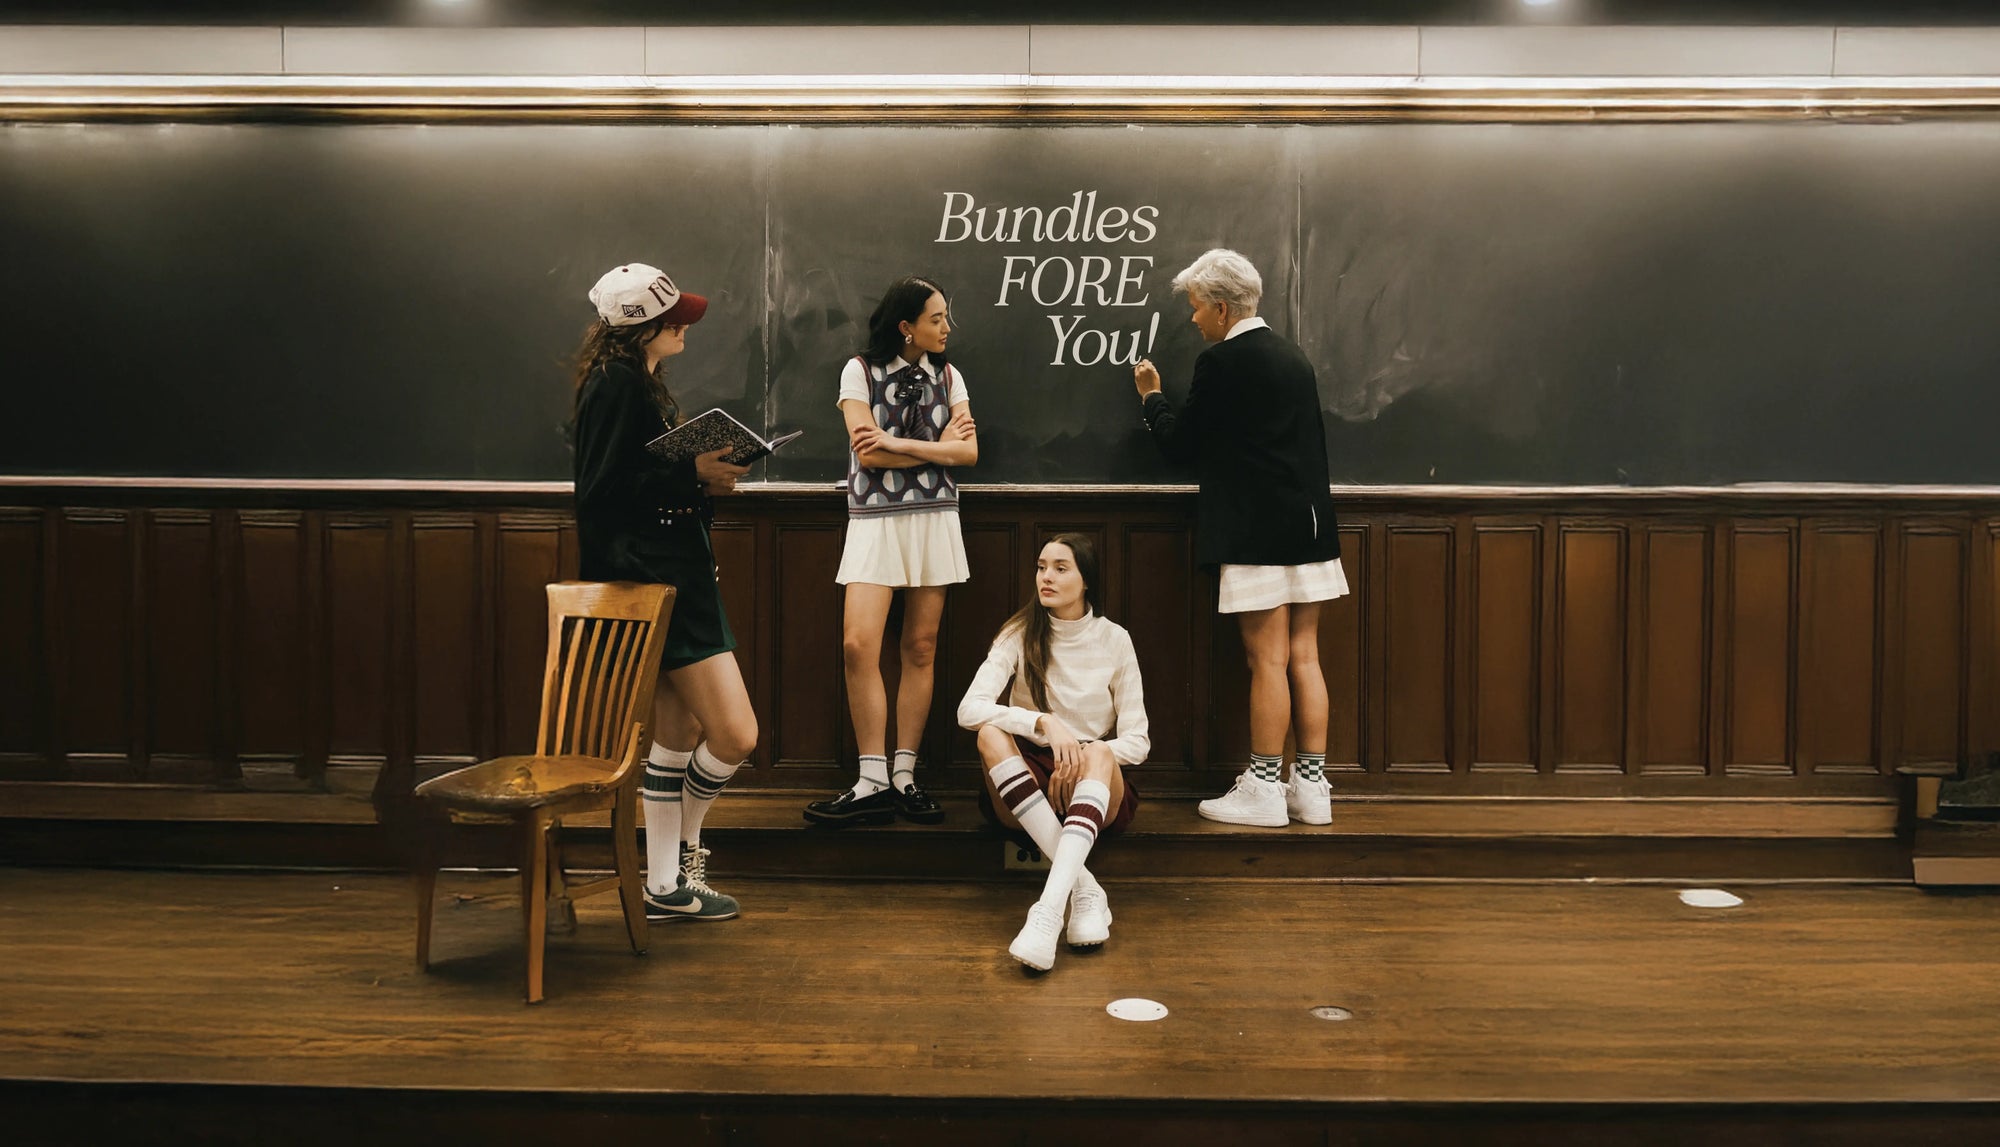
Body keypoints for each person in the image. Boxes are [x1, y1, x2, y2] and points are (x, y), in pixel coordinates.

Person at [1132, 248, 1347, 829]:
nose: (1194, 320)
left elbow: (1181, 446)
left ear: (1222, 308)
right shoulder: (1294, 357)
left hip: (1256, 530)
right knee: (1305, 655)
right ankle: (1311, 788)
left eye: (1198, 308)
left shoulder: (1222, 362)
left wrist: (1151, 398)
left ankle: (1263, 788)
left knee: (1267, 660)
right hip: (1309, 526)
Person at [571, 262, 756, 921]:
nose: (685, 327)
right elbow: (600, 495)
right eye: (674, 318)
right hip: (657, 584)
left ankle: (663, 885)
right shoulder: (618, 385)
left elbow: (633, 479)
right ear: (643, 325)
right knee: (736, 734)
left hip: (673, 576)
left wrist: (698, 479)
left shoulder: (632, 381)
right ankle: (686, 854)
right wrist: (693, 473)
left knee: (675, 738)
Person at [805, 277, 978, 828]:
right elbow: (868, 455)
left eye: (946, 317)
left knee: (921, 647)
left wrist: (899, 443)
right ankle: (871, 776)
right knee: (860, 644)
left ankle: (904, 774)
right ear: (906, 326)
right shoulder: (858, 371)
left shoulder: (949, 375)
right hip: (874, 520)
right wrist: (936, 451)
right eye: (936, 319)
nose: (947, 328)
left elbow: (969, 452)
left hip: (933, 520)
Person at [958, 534, 1148, 972]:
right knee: (988, 732)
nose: (1046, 577)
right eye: (1042, 566)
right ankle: (1085, 890)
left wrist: (1080, 756)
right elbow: (968, 709)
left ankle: (1045, 912)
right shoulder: (1019, 632)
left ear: (1086, 580)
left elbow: (1138, 742)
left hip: (1094, 784)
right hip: (1030, 780)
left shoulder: (1115, 639)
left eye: (1061, 568)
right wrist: (1043, 723)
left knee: (1101, 751)